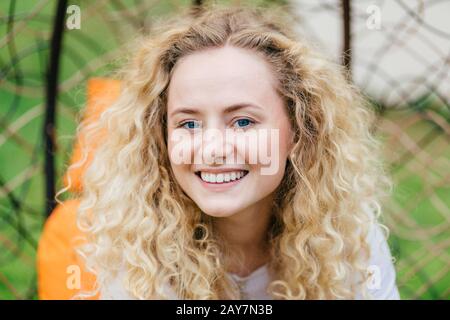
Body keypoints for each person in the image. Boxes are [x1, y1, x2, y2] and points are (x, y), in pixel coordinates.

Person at [69, 4, 400, 300]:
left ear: (298, 133)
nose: (213, 150)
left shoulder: (346, 238)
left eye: (242, 121)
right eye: (189, 124)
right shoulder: (139, 246)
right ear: (162, 137)